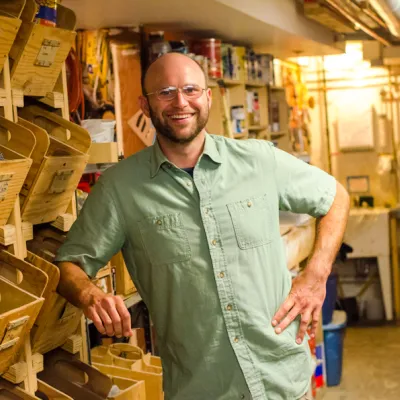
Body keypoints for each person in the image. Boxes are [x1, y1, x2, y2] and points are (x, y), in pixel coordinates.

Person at [55, 52, 350, 400]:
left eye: (191, 89)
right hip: (202, 389)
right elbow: (69, 264)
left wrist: (316, 276)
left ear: (208, 97)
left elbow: (335, 197)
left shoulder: (259, 160)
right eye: (165, 92)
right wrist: (91, 295)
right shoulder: (120, 189)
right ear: (145, 105)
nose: (180, 102)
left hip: (284, 382)